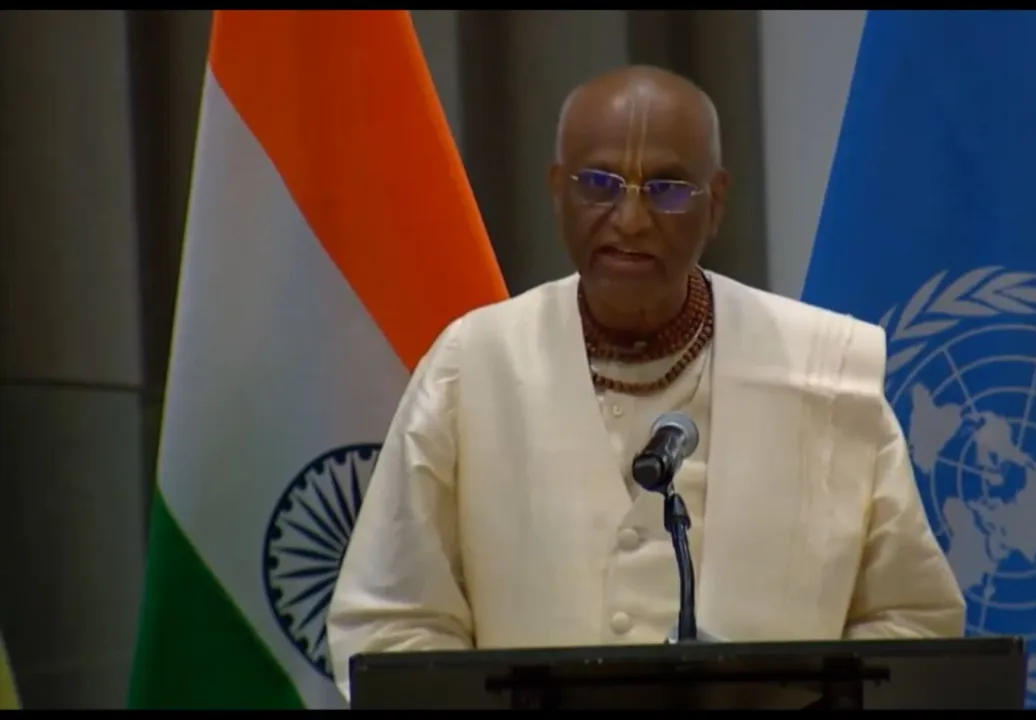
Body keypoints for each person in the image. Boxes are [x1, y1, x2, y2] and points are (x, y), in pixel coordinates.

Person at [327, 65, 965, 702]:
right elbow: (391, 624)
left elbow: (913, 623)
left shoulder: (826, 375)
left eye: (667, 188)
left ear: (716, 202)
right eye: (600, 183)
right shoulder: (471, 368)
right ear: (556, 191)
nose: (630, 219)